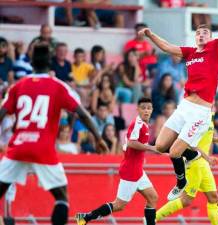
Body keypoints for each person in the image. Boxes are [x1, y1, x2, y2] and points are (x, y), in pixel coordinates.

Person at [141, 7, 218, 200]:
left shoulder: (215, 47)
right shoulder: (189, 53)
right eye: (198, 33)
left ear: (210, 36)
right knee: (161, 146)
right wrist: (150, 33)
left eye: (205, 32)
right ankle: (193, 155)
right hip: (184, 106)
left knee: (174, 152)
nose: (201, 35)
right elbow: (166, 47)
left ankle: (181, 183)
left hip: (201, 111)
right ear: (195, 38)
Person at [0, 44, 108, 225]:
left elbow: (1, 114)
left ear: (31, 63)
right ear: (50, 63)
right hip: (43, 150)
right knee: (61, 197)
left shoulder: (18, 86)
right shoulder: (58, 86)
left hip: (18, 147)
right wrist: (98, 138)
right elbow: (82, 113)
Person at [76, 97, 159, 225]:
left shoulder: (143, 124)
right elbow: (131, 143)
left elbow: (127, 146)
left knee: (153, 197)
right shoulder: (138, 124)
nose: (146, 111)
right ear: (137, 109)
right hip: (131, 171)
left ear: (152, 109)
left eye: (149, 108)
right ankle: (85, 217)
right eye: (143, 108)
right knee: (119, 205)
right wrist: (151, 148)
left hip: (137, 170)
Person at [156, 117, 218, 225]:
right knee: (186, 200)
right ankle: (152, 219)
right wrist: (207, 158)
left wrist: (216, 139)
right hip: (195, 162)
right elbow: (189, 143)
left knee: (213, 197)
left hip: (204, 164)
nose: (212, 103)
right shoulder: (196, 116)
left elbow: (202, 137)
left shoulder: (209, 116)